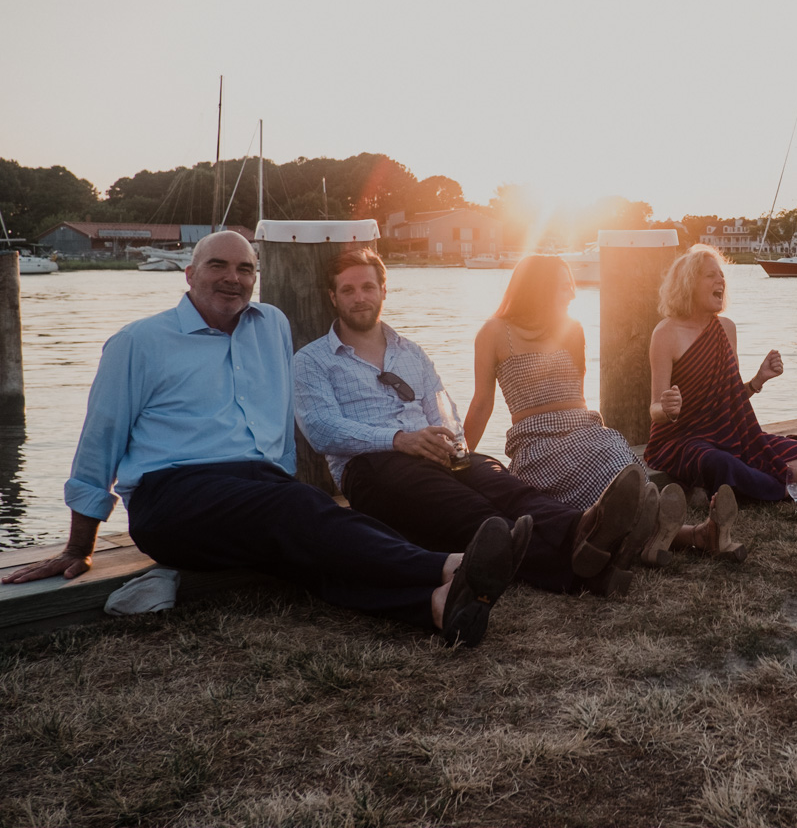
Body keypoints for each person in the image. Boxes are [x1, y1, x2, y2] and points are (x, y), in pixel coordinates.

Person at [1, 232, 519, 648]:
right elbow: (100, 439)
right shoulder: (139, 342)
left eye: (246, 268)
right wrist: (78, 543)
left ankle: (433, 606)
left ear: (257, 278)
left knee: (303, 546)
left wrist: (280, 479)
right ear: (189, 274)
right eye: (218, 266)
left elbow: (277, 421)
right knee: (297, 511)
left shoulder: (270, 324)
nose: (233, 278)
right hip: (172, 495)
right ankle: (449, 565)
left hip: (256, 488)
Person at [295, 248, 665, 598]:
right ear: (333, 297)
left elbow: (444, 412)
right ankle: (584, 573)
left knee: (505, 485)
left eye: (367, 287)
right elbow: (321, 429)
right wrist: (399, 440)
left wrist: (454, 445)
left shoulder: (411, 353)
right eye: (348, 290)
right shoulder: (313, 361)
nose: (359, 297)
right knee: (470, 508)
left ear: (383, 291)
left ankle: (585, 529)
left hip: (432, 455)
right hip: (373, 467)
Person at [645, 244, 797, 511]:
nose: (720, 281)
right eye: (710, 275)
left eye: (721, 275)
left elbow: (732, 397)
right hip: (683, 439)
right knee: (719, 463)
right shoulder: (666, 333)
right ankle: (787, 489)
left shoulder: (726, 328)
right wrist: (667, 408)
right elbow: (655, 410)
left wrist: (758, 380)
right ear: (688, 283)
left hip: (732, 434)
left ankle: (781, 478)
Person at [463, 254, 646, 512]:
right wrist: (457, 460)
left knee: (616, 455)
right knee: (605, 475)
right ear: (539, 289)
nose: (572, 294)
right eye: (564, 287)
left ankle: (657, 526)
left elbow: (578, 399)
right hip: (536, 444)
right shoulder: (493, 332)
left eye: (571, 286)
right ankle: (674, 532)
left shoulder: (573, 329)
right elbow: (482, 403)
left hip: (587, 434)